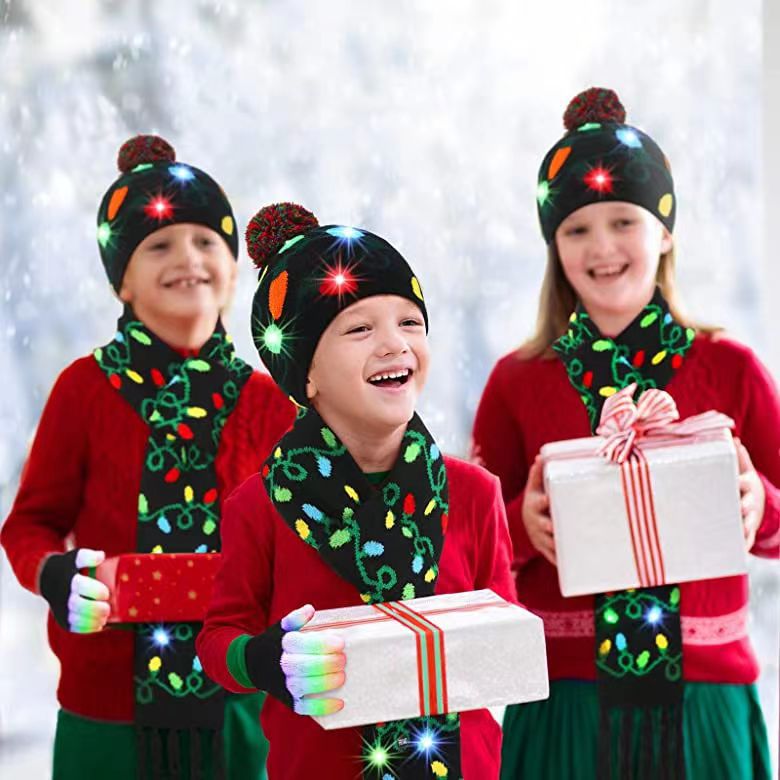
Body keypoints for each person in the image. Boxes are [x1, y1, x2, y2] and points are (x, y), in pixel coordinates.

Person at [472, 88, 778, 779]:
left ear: (665, 232)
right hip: (563, 702)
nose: (602, 247)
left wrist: (758, 503)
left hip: (705, 698)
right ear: (554, 245)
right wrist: (521, 524)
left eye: (623, 221)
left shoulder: (730, 368)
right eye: (577, 229)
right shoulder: (517, 382)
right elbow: (466, 550)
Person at [1, 134, 295, 779]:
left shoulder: (273, 403)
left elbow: (305, 531)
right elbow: (30, 525)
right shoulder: (84, 389)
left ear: (233, 269)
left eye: (206, 242)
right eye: (158, 245)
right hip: (104, 704)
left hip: (241, 693)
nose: (187, 259)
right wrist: (54, 576)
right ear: (121, 283)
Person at [196, 202, 517, 778]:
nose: (394, 344)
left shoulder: (473, 492)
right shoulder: (259, 507)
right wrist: (260, 659)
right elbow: (218, 640)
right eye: (360, 328)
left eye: (410, 322)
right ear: (306, 375)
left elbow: (504, 632)